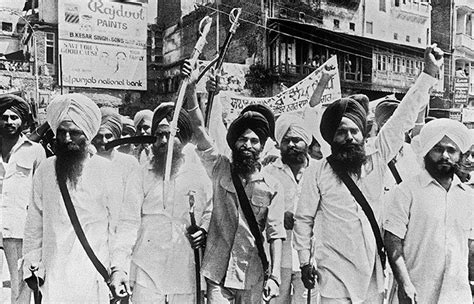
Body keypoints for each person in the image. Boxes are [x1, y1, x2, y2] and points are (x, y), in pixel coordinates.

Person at [293, 44, 443, 304]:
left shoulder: (378, 155)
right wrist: (305, 261)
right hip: (333, 276)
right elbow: (303, 219)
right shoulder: (318, 172)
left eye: (354, 131)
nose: (349, 137)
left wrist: (428, 73)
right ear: (332, 137)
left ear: (364, 133)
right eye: (341, 132)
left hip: (373, 275)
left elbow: (404, 117)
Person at [184, 60, 286, 304]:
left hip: (253, 276)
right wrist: (190, 88)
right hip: (217, 274)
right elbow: (198, 128)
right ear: (233, 143)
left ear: (262, 146)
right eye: (242, 140)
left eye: (253, 141)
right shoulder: (220, 168)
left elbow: (276, 234)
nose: (247, 146)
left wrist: (274, 278)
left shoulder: (273, 186)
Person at [22, 93, 126, 302]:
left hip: (93, 275)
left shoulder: (106, 171)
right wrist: (32, 261)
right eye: (61, 132)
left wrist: (119, 269)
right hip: (54, 274)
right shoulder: (45, 169)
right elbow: (34, 223)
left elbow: (119, 227)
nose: (66, 139)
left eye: (74, 132)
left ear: (87, 134)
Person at [110, 103, 212, 303]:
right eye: (159, 135)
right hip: (147, 273)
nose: (163, 141)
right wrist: (118, 267)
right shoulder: (140, 174)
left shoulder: (199, 173)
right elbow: (128, 223)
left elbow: (209, 210)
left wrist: (204, 230)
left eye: (169, 134)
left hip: (186, 272)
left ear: (182, 138)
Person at [384, 118, 474, 303]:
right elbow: (392, 239)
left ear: (460, 155)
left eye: (451, 150)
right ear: (426, 151)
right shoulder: (406, 191)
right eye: (438, 149)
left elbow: (470, 245)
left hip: (457, 294)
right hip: (417, 291)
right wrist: (404, 283)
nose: (445, 156)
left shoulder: (467, 196)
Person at [263, 113, 319, 304]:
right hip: (279, 259)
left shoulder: (319, 171)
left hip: (312, 257)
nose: (292, 145)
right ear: (279, 144)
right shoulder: (268, 172)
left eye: (297, 140)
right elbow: (258, 211)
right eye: (286, 140)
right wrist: (277, 217)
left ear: (307, 143)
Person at [0, 94, 45, 303]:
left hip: (18, 229)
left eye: (13, 117)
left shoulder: (35, 151)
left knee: (18, 283)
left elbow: (40, 192)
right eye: (4, 117)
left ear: (22, 121)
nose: (8, 122)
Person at [92, 107, 139, 187]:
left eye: (108, 136)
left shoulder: (129, 163)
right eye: (99, 136)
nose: (104, 141)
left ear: (116, 137)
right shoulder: (88, 163)